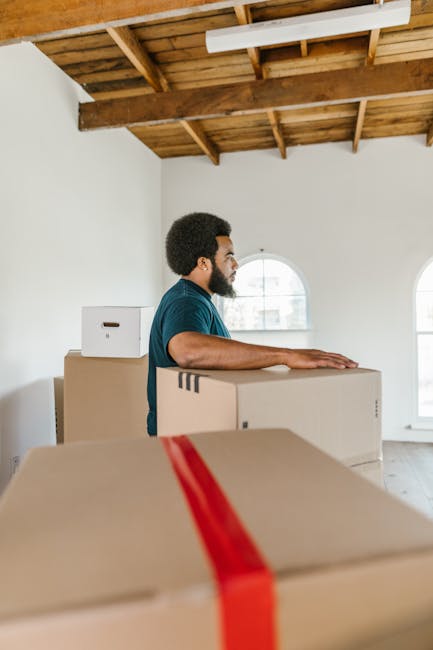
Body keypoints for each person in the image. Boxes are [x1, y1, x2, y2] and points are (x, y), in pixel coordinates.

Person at [147, 212, 357, 435]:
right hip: (181, 441)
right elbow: (188, 351)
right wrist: (285, 356)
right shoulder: (186, 301)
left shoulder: (197, 299)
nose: (236, 264)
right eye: (229, 256)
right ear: (203, 263)